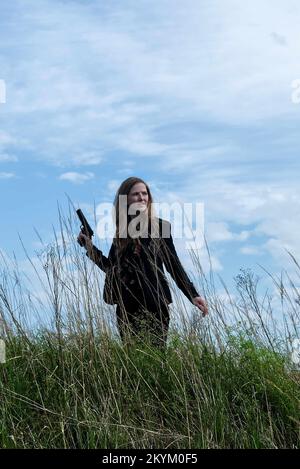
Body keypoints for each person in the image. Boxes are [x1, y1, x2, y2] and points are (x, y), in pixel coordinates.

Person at [77, 177, 208, 347]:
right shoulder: (121, 232)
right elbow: (111, 268)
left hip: (156, 304)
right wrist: (89, 248)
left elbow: (173, 265)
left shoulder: (161, 227)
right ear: (125, 199)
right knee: (133, 360)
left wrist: (193, 294)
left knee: (156, 358)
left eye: (144, 193)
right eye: (136, 194)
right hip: (126, 306)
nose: (142, 198)